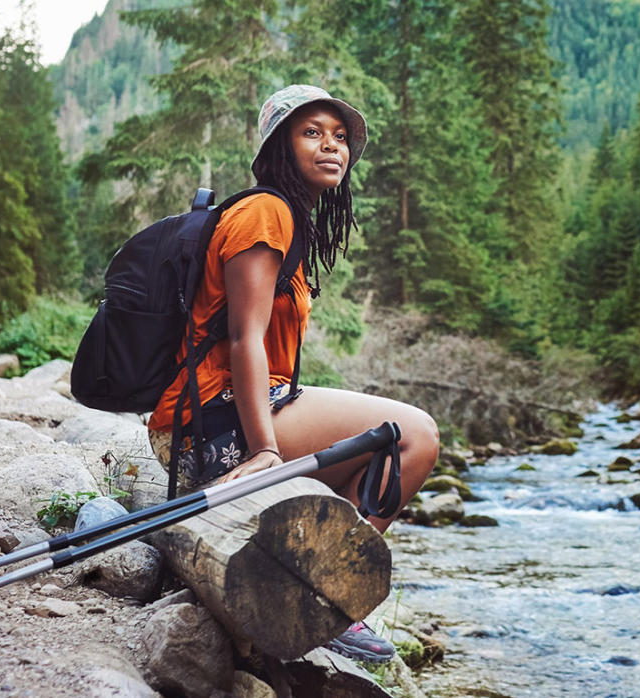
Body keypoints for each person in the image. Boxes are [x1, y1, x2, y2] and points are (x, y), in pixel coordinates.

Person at [146, 85, 439, 663]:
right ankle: (332, 597)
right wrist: (265, 452)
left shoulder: (287, 217)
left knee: (390, 438)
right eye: (312, 132)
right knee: (417, 436)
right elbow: (243, 337)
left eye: (339, 136)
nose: (332, 146)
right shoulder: (266, 211)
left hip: (220, 417)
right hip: (213, 427)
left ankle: (309, 590)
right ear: (279, 145)